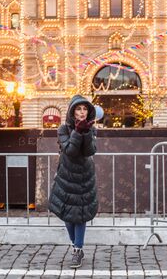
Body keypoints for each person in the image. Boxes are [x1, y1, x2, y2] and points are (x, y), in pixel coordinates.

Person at [48, 95, 98, 269]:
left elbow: (89, 151)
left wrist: (86, 132)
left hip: (84, 177)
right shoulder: (63, 129)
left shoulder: (91, 129)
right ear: (72, 111)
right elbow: (69, 151)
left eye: (85, 109)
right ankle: (76, 244)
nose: (82, 112)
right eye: (78, 109)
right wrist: (77, 131)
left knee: (80, 215)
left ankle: (77, 249)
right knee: (68, 216)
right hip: (66, 177)